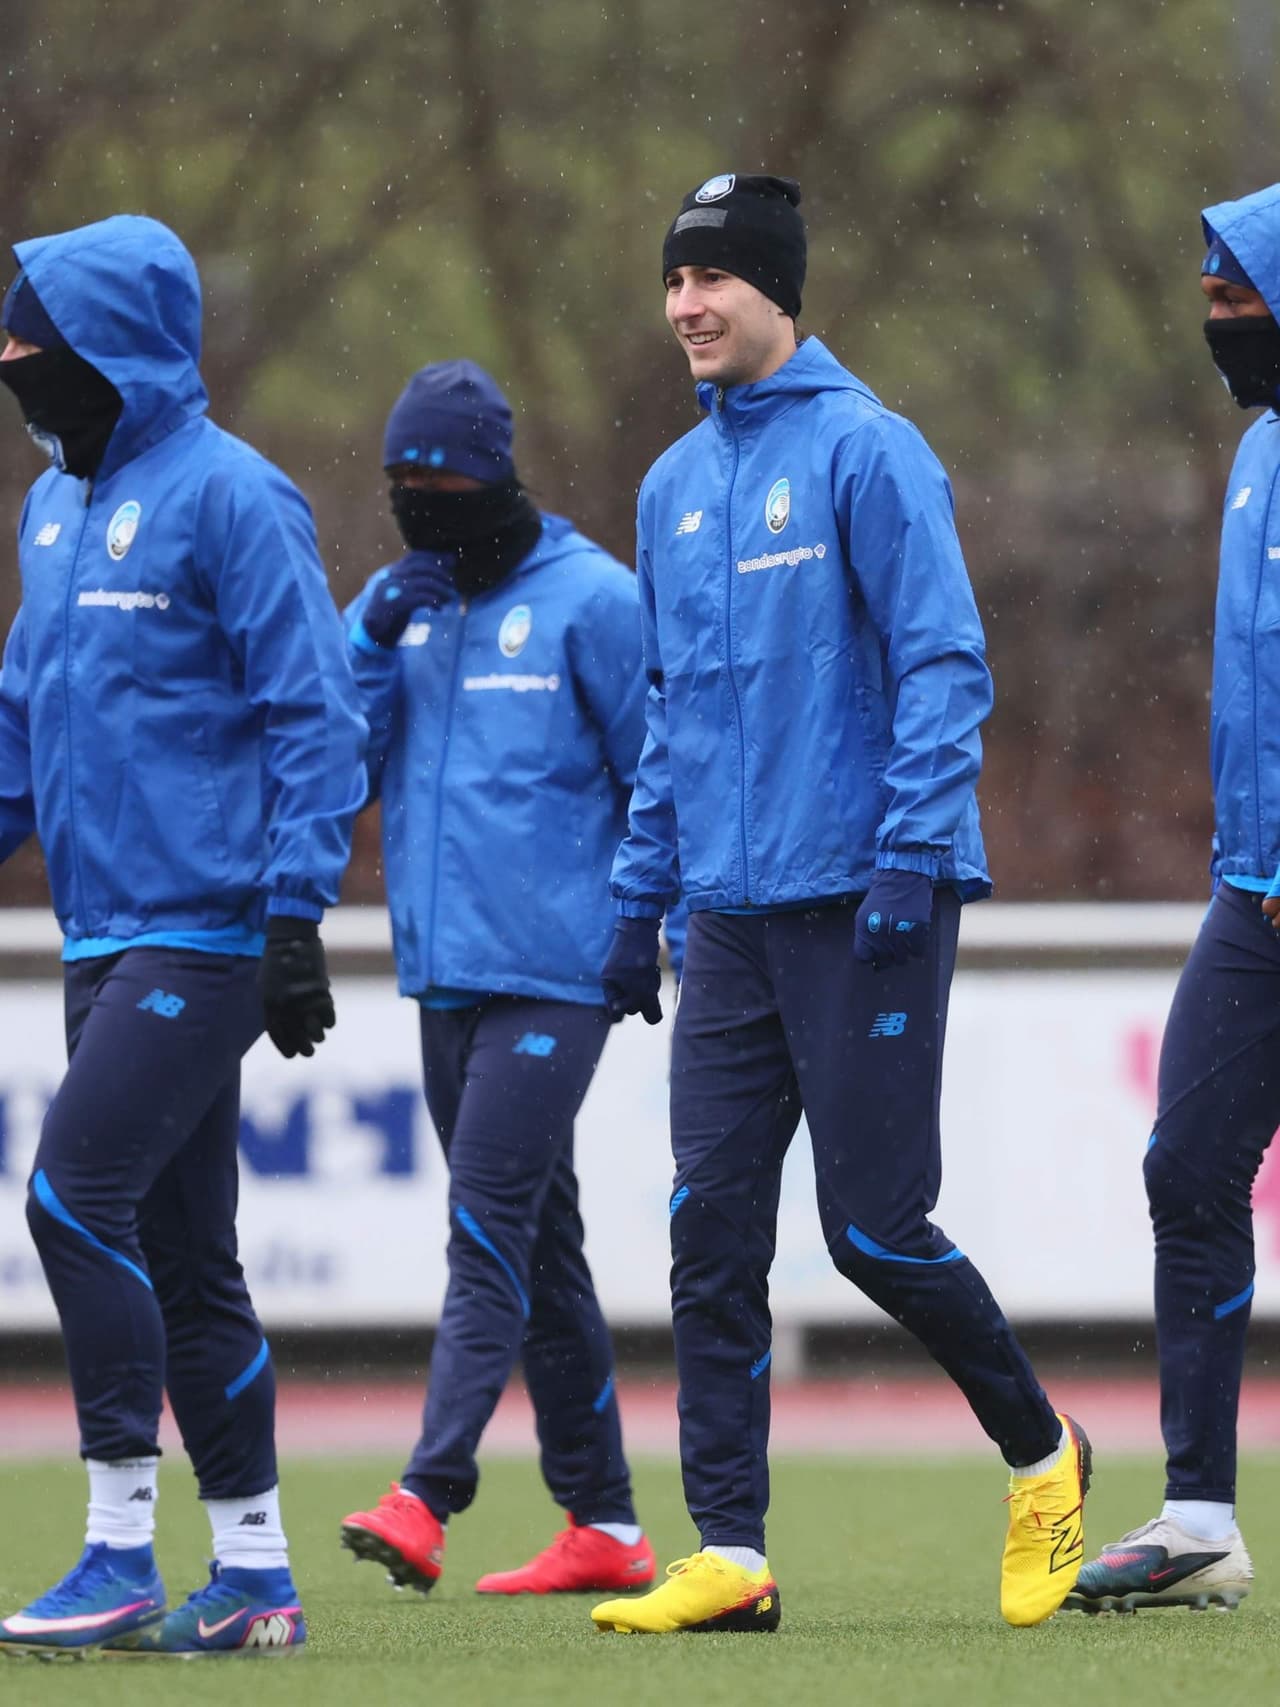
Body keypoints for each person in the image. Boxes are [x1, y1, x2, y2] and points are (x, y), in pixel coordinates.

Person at [591, 173, 1090, 1636]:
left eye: (714, 280)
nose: (687, 305)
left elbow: (944, 663)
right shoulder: (671, 488)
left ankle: (1043, 1447)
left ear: (777, 292)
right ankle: (731, 1550)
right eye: (674, 281)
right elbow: (672, 717)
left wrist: (909, 852)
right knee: (710, 1225)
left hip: (869, 894)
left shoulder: (871, 452)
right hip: (725, 919)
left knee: (874, 1228)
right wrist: (639, 900)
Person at [0, 215, 366, 1657]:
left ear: (110, 350)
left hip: (204, 931)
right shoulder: (50, 512)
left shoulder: (233, 496)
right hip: (102, 931)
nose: (16, 374)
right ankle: (257, 1573)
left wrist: (292, 910)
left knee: (70, 1197)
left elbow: (314, 709)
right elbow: (24, 727)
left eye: (32, 347)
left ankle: (114, 1548)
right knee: (186, 1252)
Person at [337, 360, 660, 1599]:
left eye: (439, 474)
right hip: (443, 978)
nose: (419, 498)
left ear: (494, 470)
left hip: (554, 979)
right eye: (398, 479)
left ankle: (430, 1492)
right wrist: (367, 645)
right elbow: (335, 772)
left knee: (483, 1230)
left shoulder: (593, 602)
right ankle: (607, 1526)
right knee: (541, 1250)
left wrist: (640, 926)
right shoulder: (395, 606)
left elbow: (656, 773)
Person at [1066, 186, 1280, 1616]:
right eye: (1209, 300)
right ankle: (1201, 1514)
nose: (1220, 324)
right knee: (1188, 1167)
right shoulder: (1259, 450)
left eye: (1239, 298)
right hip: (1253, 895)